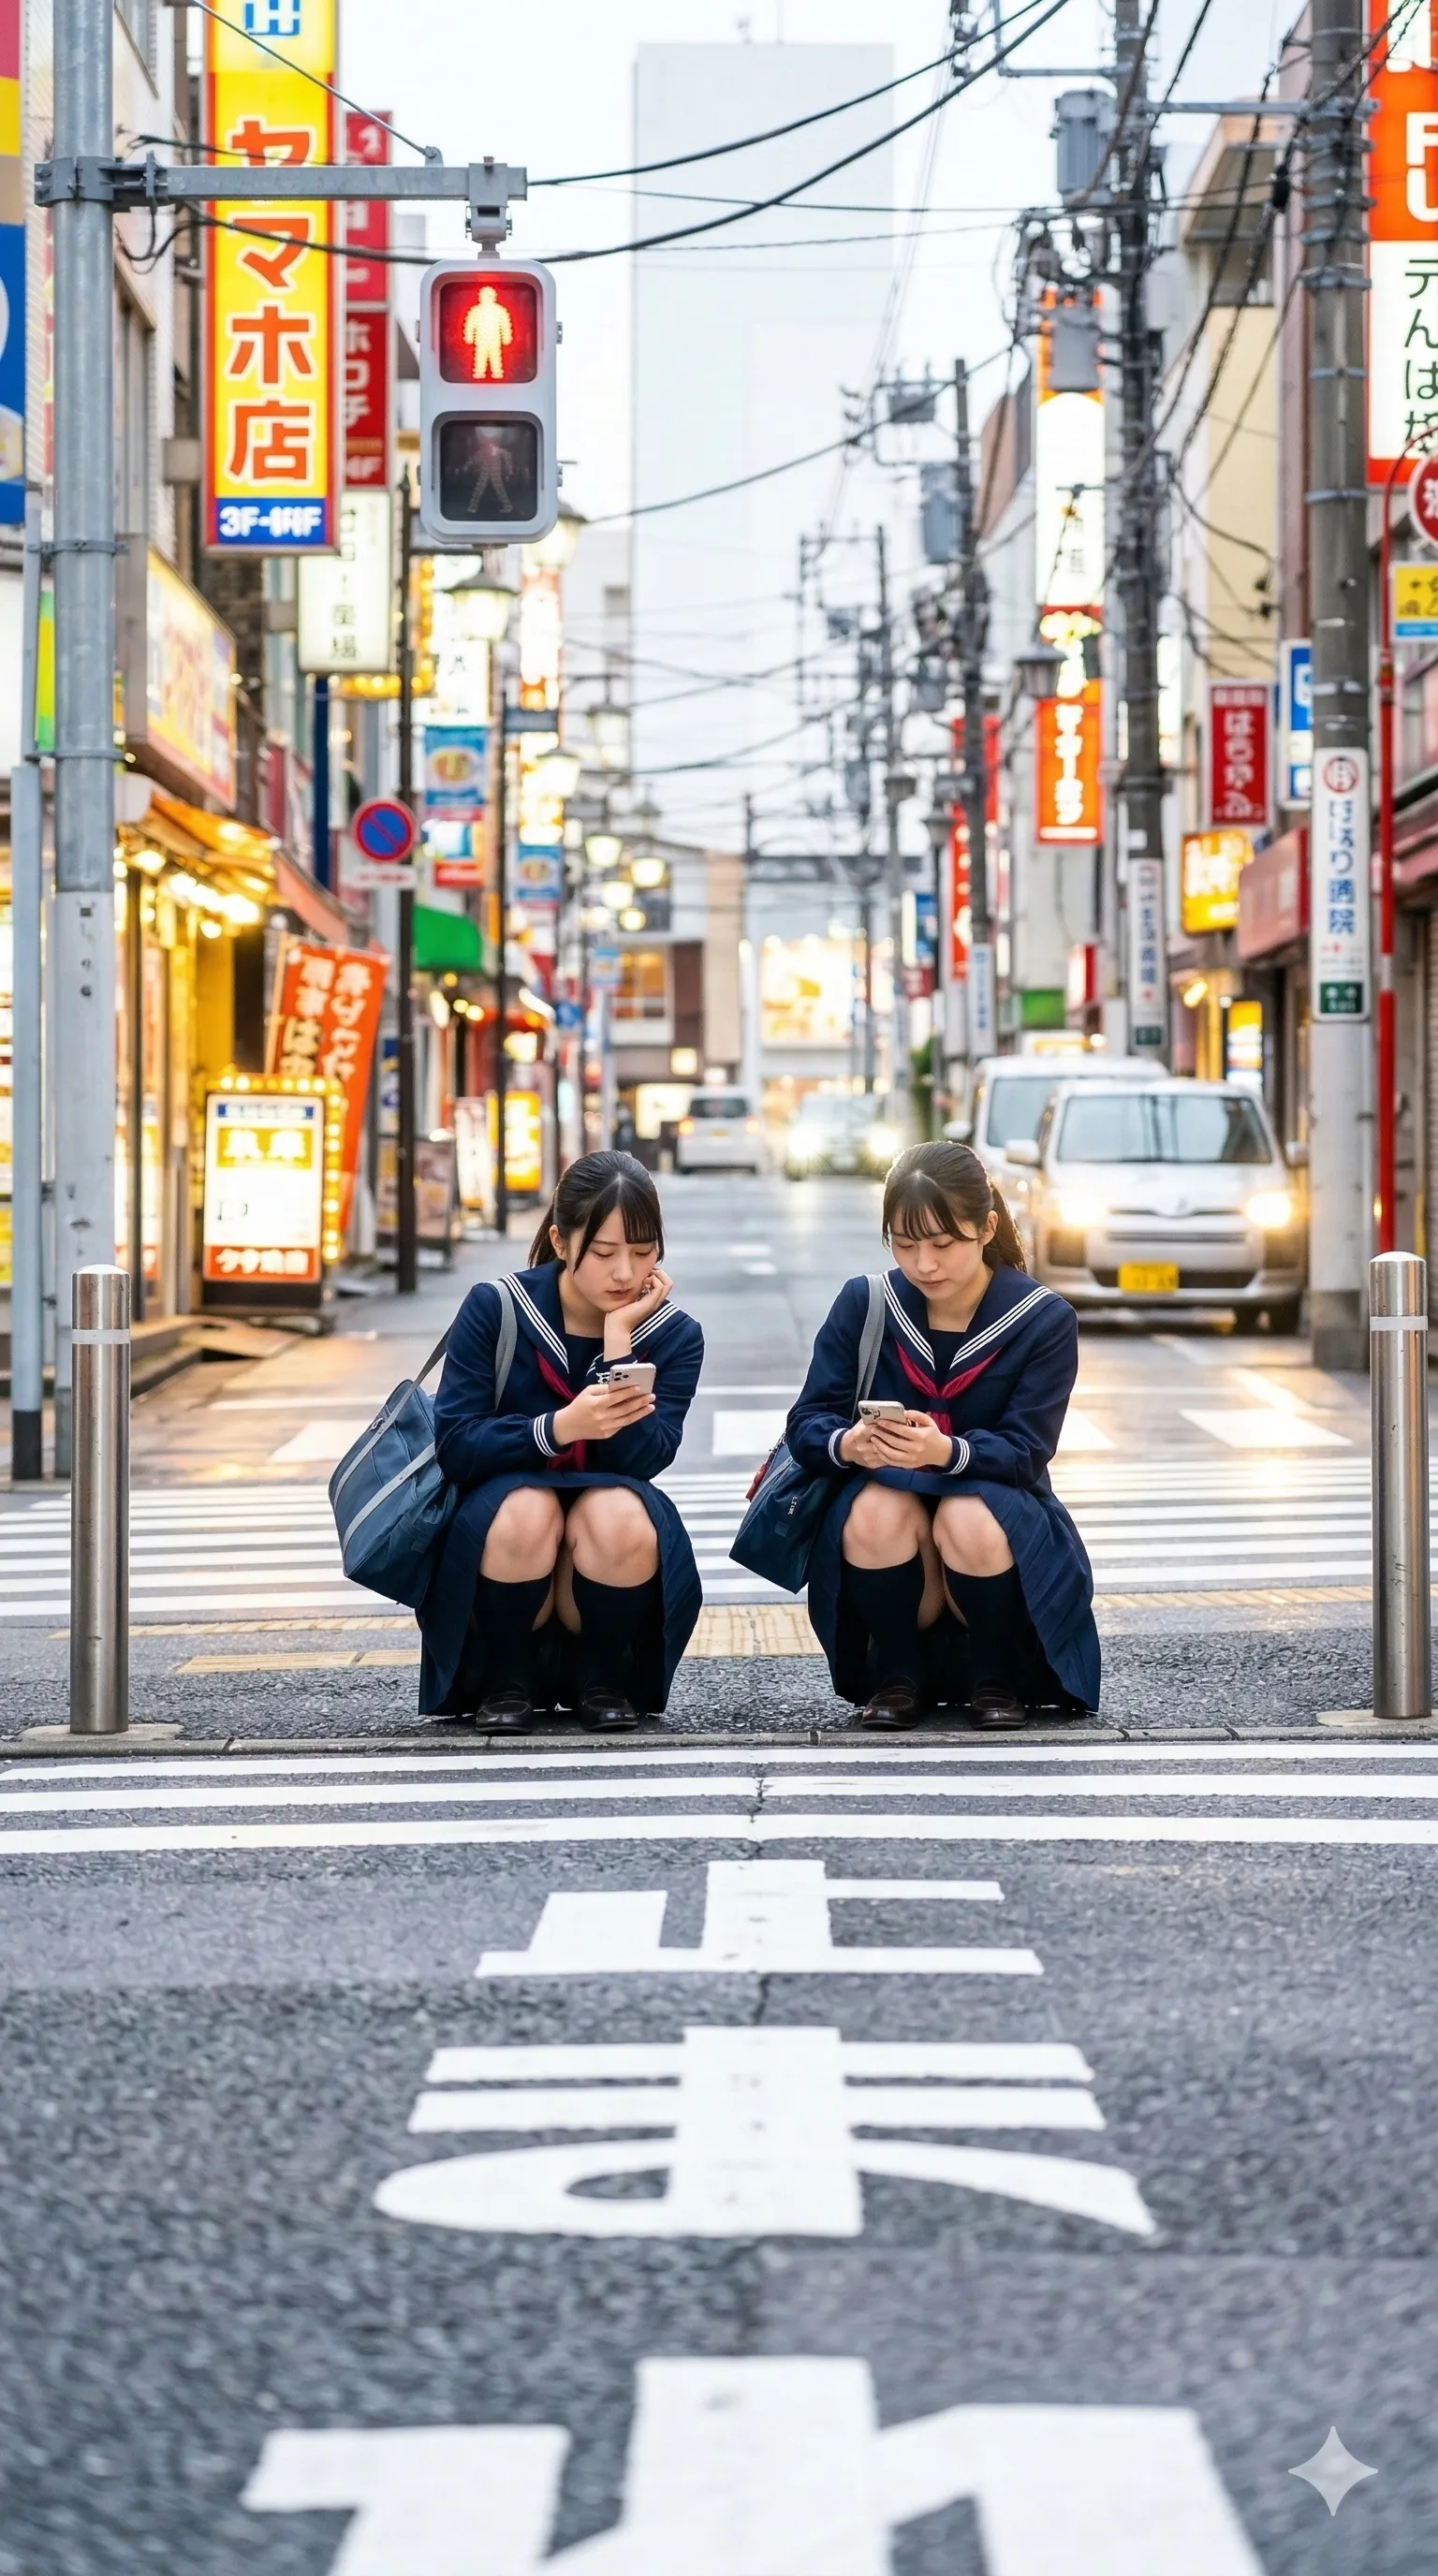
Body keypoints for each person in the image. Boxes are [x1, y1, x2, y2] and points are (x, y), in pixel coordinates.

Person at [785, 1138, 1099, 1730]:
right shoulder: (867, 1303)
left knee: (969, 1515)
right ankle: (898, 1674)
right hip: (888, 1512)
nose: (924, 1264)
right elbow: (808, 1421)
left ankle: (995, 1675)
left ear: (986, 1227)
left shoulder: (1042, 1318)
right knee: (875, 1507)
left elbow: (1027, 1450)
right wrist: (848, 1444)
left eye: (943, 1243)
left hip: (996, 1508)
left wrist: (949, 1453)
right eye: (905, 1245)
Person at [418, 1151, 704, 1733]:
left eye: (643, 1252)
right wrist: (557, 1429)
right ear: (560, 1239)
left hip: (607, 1524)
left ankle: (604, 1679)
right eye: (603, 1252)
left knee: (622, 1511)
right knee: (526, 1507)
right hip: (505, 1519)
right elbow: (456, 1444)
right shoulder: (497, 1308)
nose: (625, 1273)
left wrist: (620, 1343)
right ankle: (506, 1679)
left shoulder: (674, 1335)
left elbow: (647, 1458)